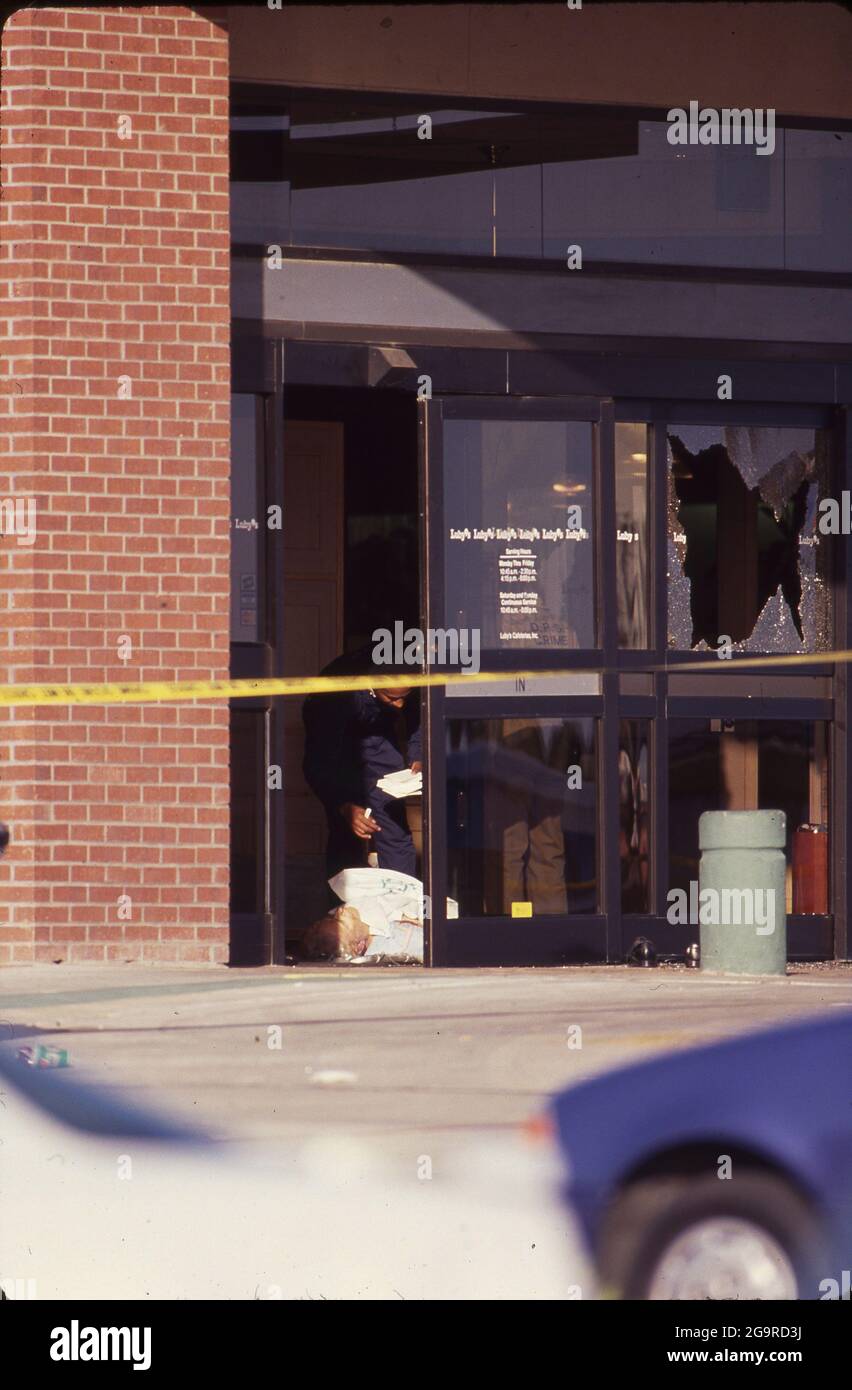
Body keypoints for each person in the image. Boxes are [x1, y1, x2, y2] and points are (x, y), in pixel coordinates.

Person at [302, 646, 422, 880]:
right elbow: (318, 764)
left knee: (391, 818)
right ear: (372, 683)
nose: (400, 706)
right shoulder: (333, 700)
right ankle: (344, 910)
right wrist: (344, 806)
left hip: (376, 728)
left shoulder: (406, 674)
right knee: (349, 826)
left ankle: (400, 902)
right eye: (393, 698)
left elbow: (418, 713)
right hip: (335, 731)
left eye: (404, 697)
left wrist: (418, 753)